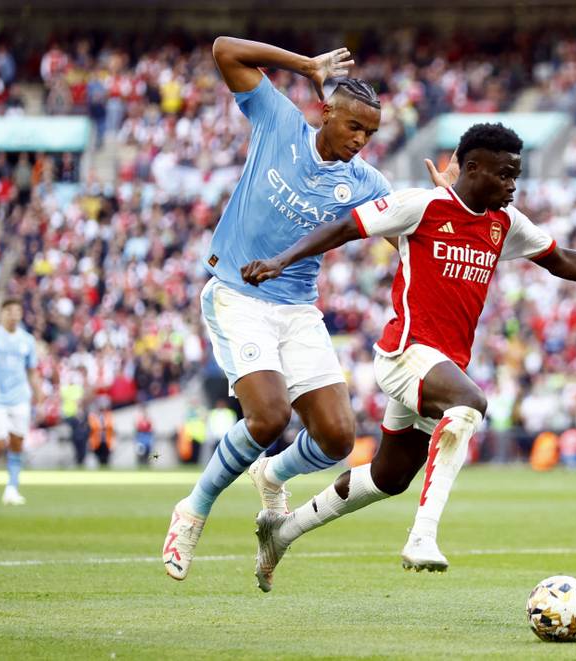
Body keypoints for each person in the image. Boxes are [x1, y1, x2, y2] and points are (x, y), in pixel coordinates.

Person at [241, 123, 576, 590]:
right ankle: (423, 535)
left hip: (440, 366)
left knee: (389, 477)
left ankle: (282, 533)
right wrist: (281, 261)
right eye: (506, 175)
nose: (513, 185)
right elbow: (349, 226)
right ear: (473, 168)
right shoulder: (424, 206)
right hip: (405, 353)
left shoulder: (504, 223)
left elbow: (561, 258)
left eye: (517, 176)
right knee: (470, 405)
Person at [162, 35, 416, 581]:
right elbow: (225, 49)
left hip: (297, 308)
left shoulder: (365, 183)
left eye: (370, 134)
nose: (361, 141)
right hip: (237, 294)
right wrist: (304, 65)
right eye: (354, 127)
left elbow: (407, 240)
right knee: (270, 415)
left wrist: (443, 212)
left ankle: (272, 474)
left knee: (337, 439)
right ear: (326, 112)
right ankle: (193, 510)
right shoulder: (279, 122)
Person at [0, 298, 42, 504]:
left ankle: (11, 489)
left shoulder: (27, 340)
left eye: (17, 311)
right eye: (10, 311)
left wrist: (38, 391)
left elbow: (31, 370)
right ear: (2, 313)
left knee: (17, 443)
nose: (13, 315)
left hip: (20, 397)